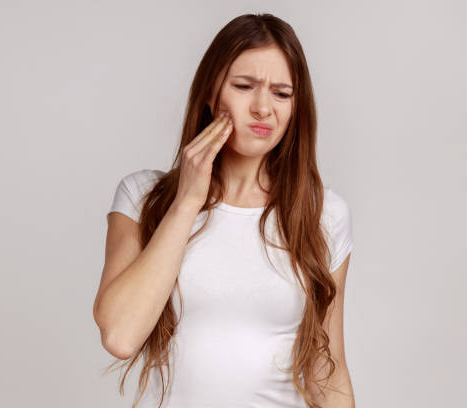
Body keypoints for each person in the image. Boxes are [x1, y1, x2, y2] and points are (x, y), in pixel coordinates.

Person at [93, 13, 356, 408]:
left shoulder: (322, 214)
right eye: (245, 86)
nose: (263, 107)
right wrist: (186, 202)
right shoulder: (144, 197)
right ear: (210, 93)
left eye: (282, 93)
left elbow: (327, 367)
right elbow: (120, 336)